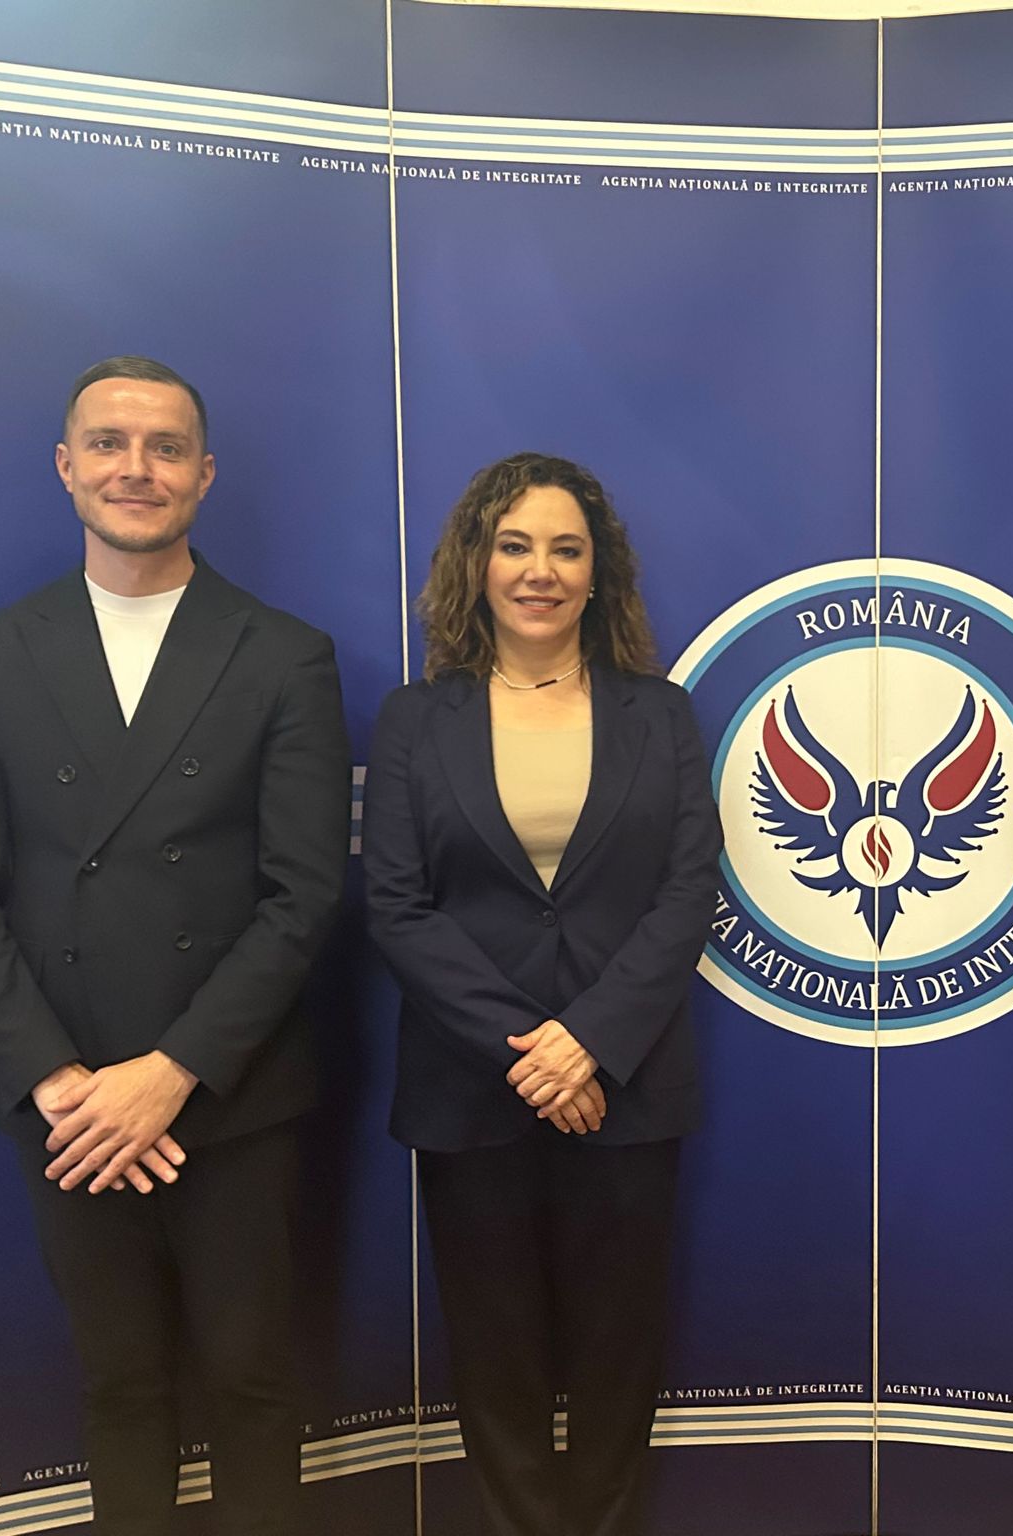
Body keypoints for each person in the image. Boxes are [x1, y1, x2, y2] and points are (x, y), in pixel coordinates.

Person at [0, 356, 352, 1536]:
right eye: (108, 443)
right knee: (118, 1385)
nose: (136, 468)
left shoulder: (282, 653)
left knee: (254, 1385)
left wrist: (169, 1075)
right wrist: (61, 1082)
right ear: (66, 469)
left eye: (165, 447)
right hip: (67, 1110)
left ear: (204, 475)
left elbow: (303, 895)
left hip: (229, 1092)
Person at [361, 452, 720, 1536]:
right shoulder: (415, 719)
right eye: (514, 545)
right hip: (473, 1093)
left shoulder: (660, 715)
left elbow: (686, 893)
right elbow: (397, 907)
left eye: (566, 549)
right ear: (476, 563)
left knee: (619, 1353)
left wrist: (589, 1043)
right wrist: (535, 1050)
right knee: (495, 1354)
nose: (540, 571)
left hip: (625, 1088)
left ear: (598, 573)